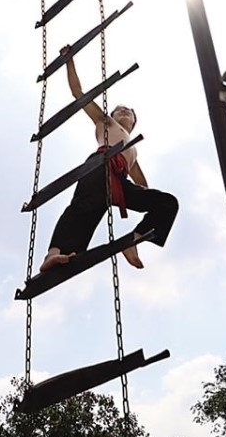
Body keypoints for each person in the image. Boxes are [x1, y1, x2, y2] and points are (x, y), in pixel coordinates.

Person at [40, 46, 179, 273]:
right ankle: (54, 255)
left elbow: (143, 187)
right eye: (119, 110)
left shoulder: (133, 151)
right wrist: (69, 60)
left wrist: (144, 200)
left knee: (167, 202)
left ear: (134, 123)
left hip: (120, 181)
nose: (123, 111)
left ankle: (133, 241)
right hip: (100, 166)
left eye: (129, 111)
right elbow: (78, 92)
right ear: (111, 116)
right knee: (79, 214)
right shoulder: (106, 123)